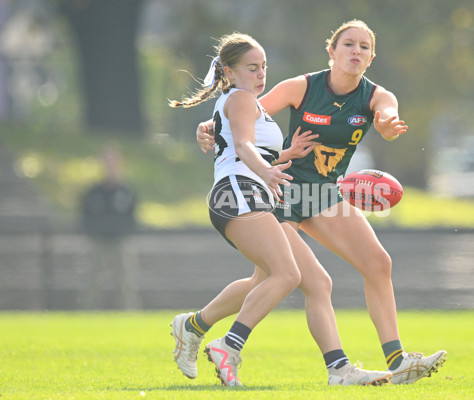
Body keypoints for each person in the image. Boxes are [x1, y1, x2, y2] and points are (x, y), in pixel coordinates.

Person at [194, 20, 447, 385]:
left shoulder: (376, 96)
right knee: (283, 279)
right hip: (280, 190)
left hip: (323, 193)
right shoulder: (302, 86)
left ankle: (397, 361)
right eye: (349, 44)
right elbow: (246, 109)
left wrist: (388, 123)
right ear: (332, 51)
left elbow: (388, 111)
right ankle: (200, 327)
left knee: (377, 262)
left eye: (364, 46)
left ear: (371, 57)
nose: (356, 51)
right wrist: (207, 126)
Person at [169, 32, 392, 387]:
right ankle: (229, 344)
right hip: (240, 194)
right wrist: (267, 170)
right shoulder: (242, 98)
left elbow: (242, 142)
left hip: (252, 194)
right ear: (229, 71)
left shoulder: (252, 105)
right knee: (287, 275)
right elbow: (242, 146)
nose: (261, 74)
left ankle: (338, 369)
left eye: (264, 67)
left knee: (310, 281)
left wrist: (285, 155)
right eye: (252, 68)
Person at [80, 144, 138, 309]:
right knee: (92, 282)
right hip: (98, 242)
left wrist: (124, 233)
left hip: (120, 242)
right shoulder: (93, 192)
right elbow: (85, 216)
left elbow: (132, 216)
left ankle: (130, 316)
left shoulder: (126, 191)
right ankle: (87, 315)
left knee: (125, 283)